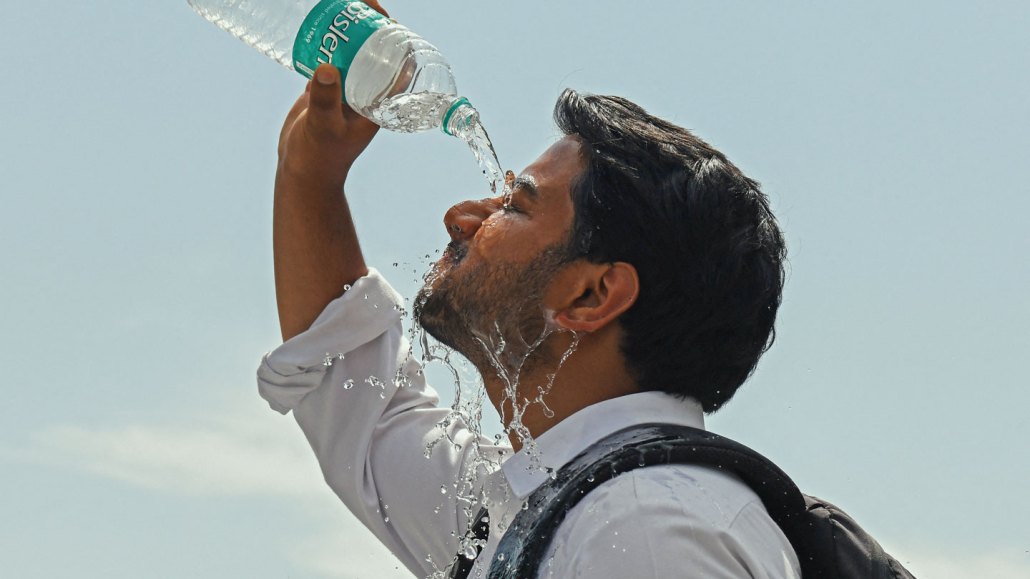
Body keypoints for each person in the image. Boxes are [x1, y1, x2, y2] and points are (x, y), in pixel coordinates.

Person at [259, 16, 796, 576]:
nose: (461, 216)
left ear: (591, 296)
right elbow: (353, 394)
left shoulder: (645, 528)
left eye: (515, 206)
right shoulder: (542, 507)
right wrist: (310, 173)